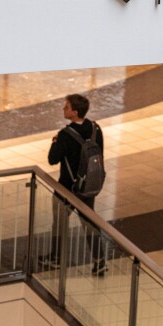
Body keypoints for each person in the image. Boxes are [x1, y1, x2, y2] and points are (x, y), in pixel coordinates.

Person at [39, 94, 107, 276]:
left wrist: (55, 143)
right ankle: (99, 261)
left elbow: (52, 160)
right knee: (89, 222)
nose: (63, 109)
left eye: (66, 107)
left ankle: (56, 258)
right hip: (88, 186)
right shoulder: (96, 129)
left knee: (60, 223)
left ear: (75, 112)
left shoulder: (65, 135)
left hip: (67, 187)